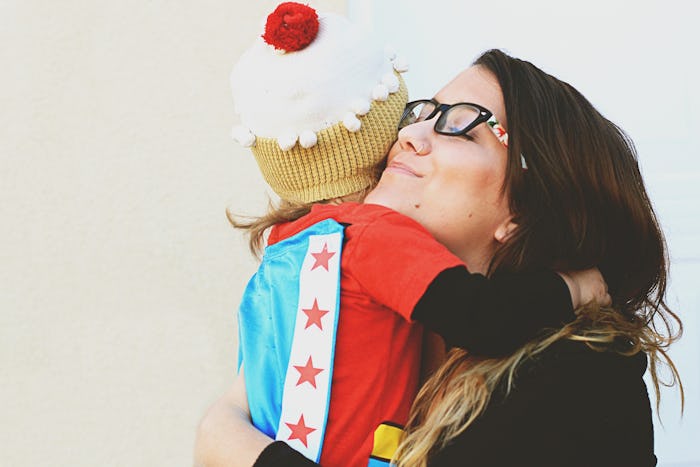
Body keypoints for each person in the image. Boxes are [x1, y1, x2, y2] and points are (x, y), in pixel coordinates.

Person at [197, 47, 683, 466]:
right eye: (421, 112)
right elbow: (223, 424)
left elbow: (224, 433)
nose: (409, 135)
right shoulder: (353, 297)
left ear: (527, 208)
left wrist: (231, 439)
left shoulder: (579, 382)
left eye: (462, 125)